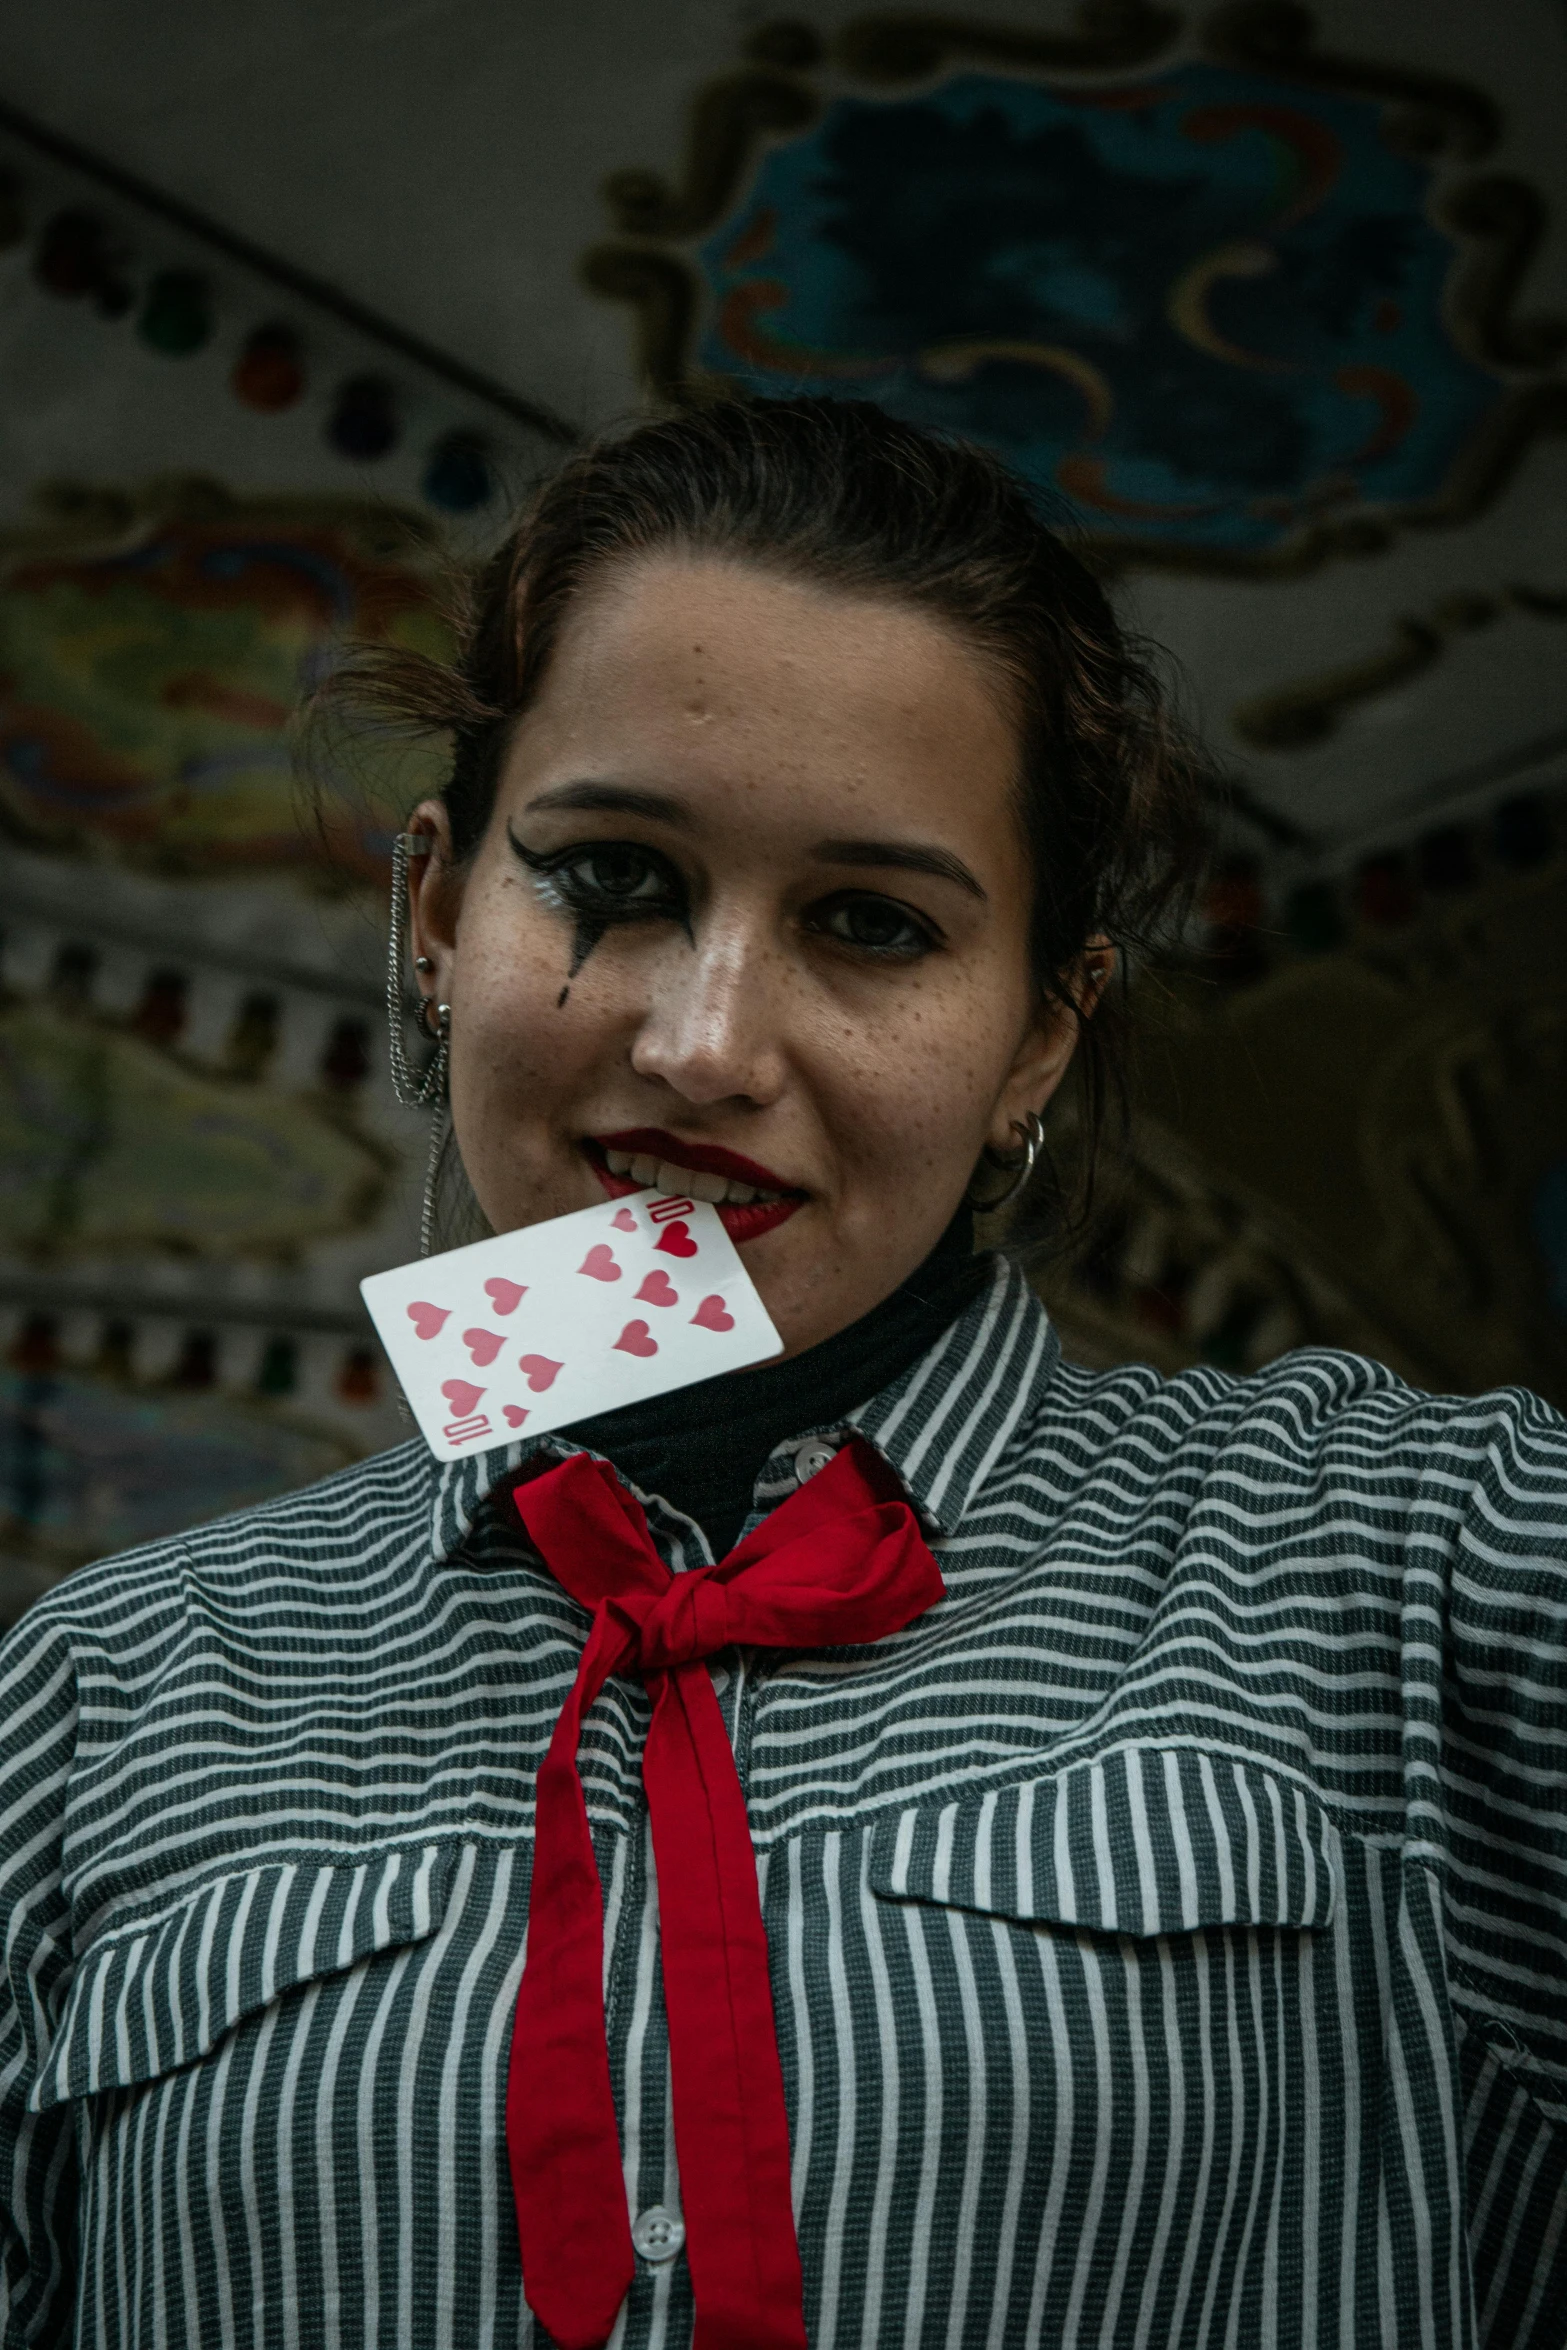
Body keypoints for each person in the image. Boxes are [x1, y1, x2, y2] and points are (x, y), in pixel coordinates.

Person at [1, 397, 1564, 2350]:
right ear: (435, 909)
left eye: (870, 923)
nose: (706, 1040)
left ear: (1040, 1038)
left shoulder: (1409, 1568)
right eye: (618, 878)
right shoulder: (91, 1701)